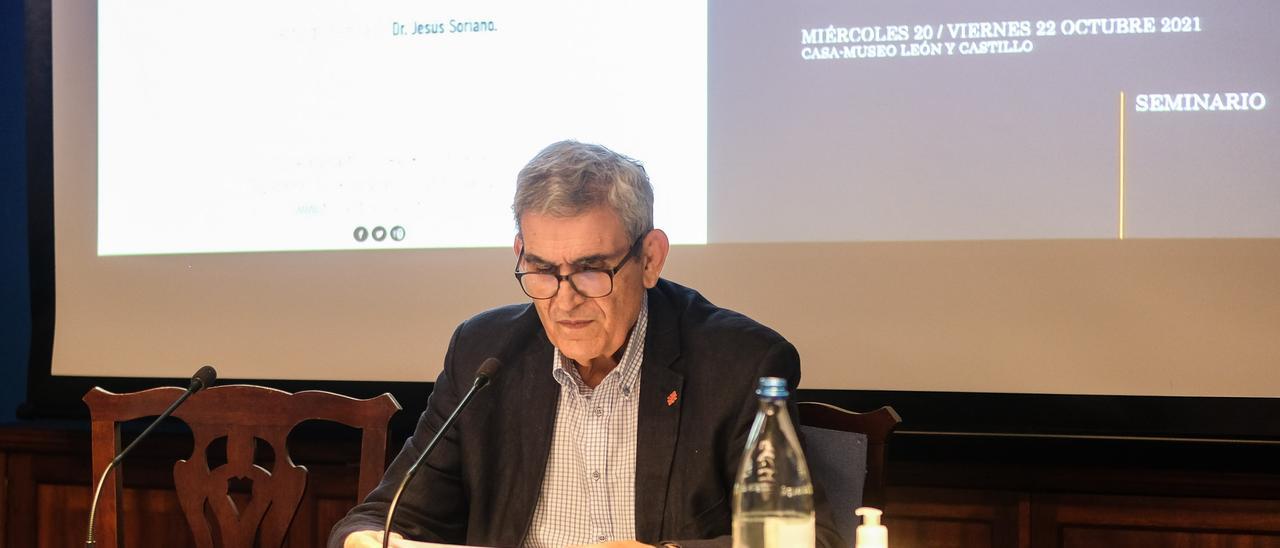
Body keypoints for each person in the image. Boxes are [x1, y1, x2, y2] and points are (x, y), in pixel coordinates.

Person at [331, 141, 842, 548]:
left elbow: (808, 539)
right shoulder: (484, 353)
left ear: (651, 258)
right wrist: (366, 540)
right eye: (542, 270)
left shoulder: (737, 363)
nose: (564, 300)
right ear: (519, 252)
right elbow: (385, 515)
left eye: (591, 270)